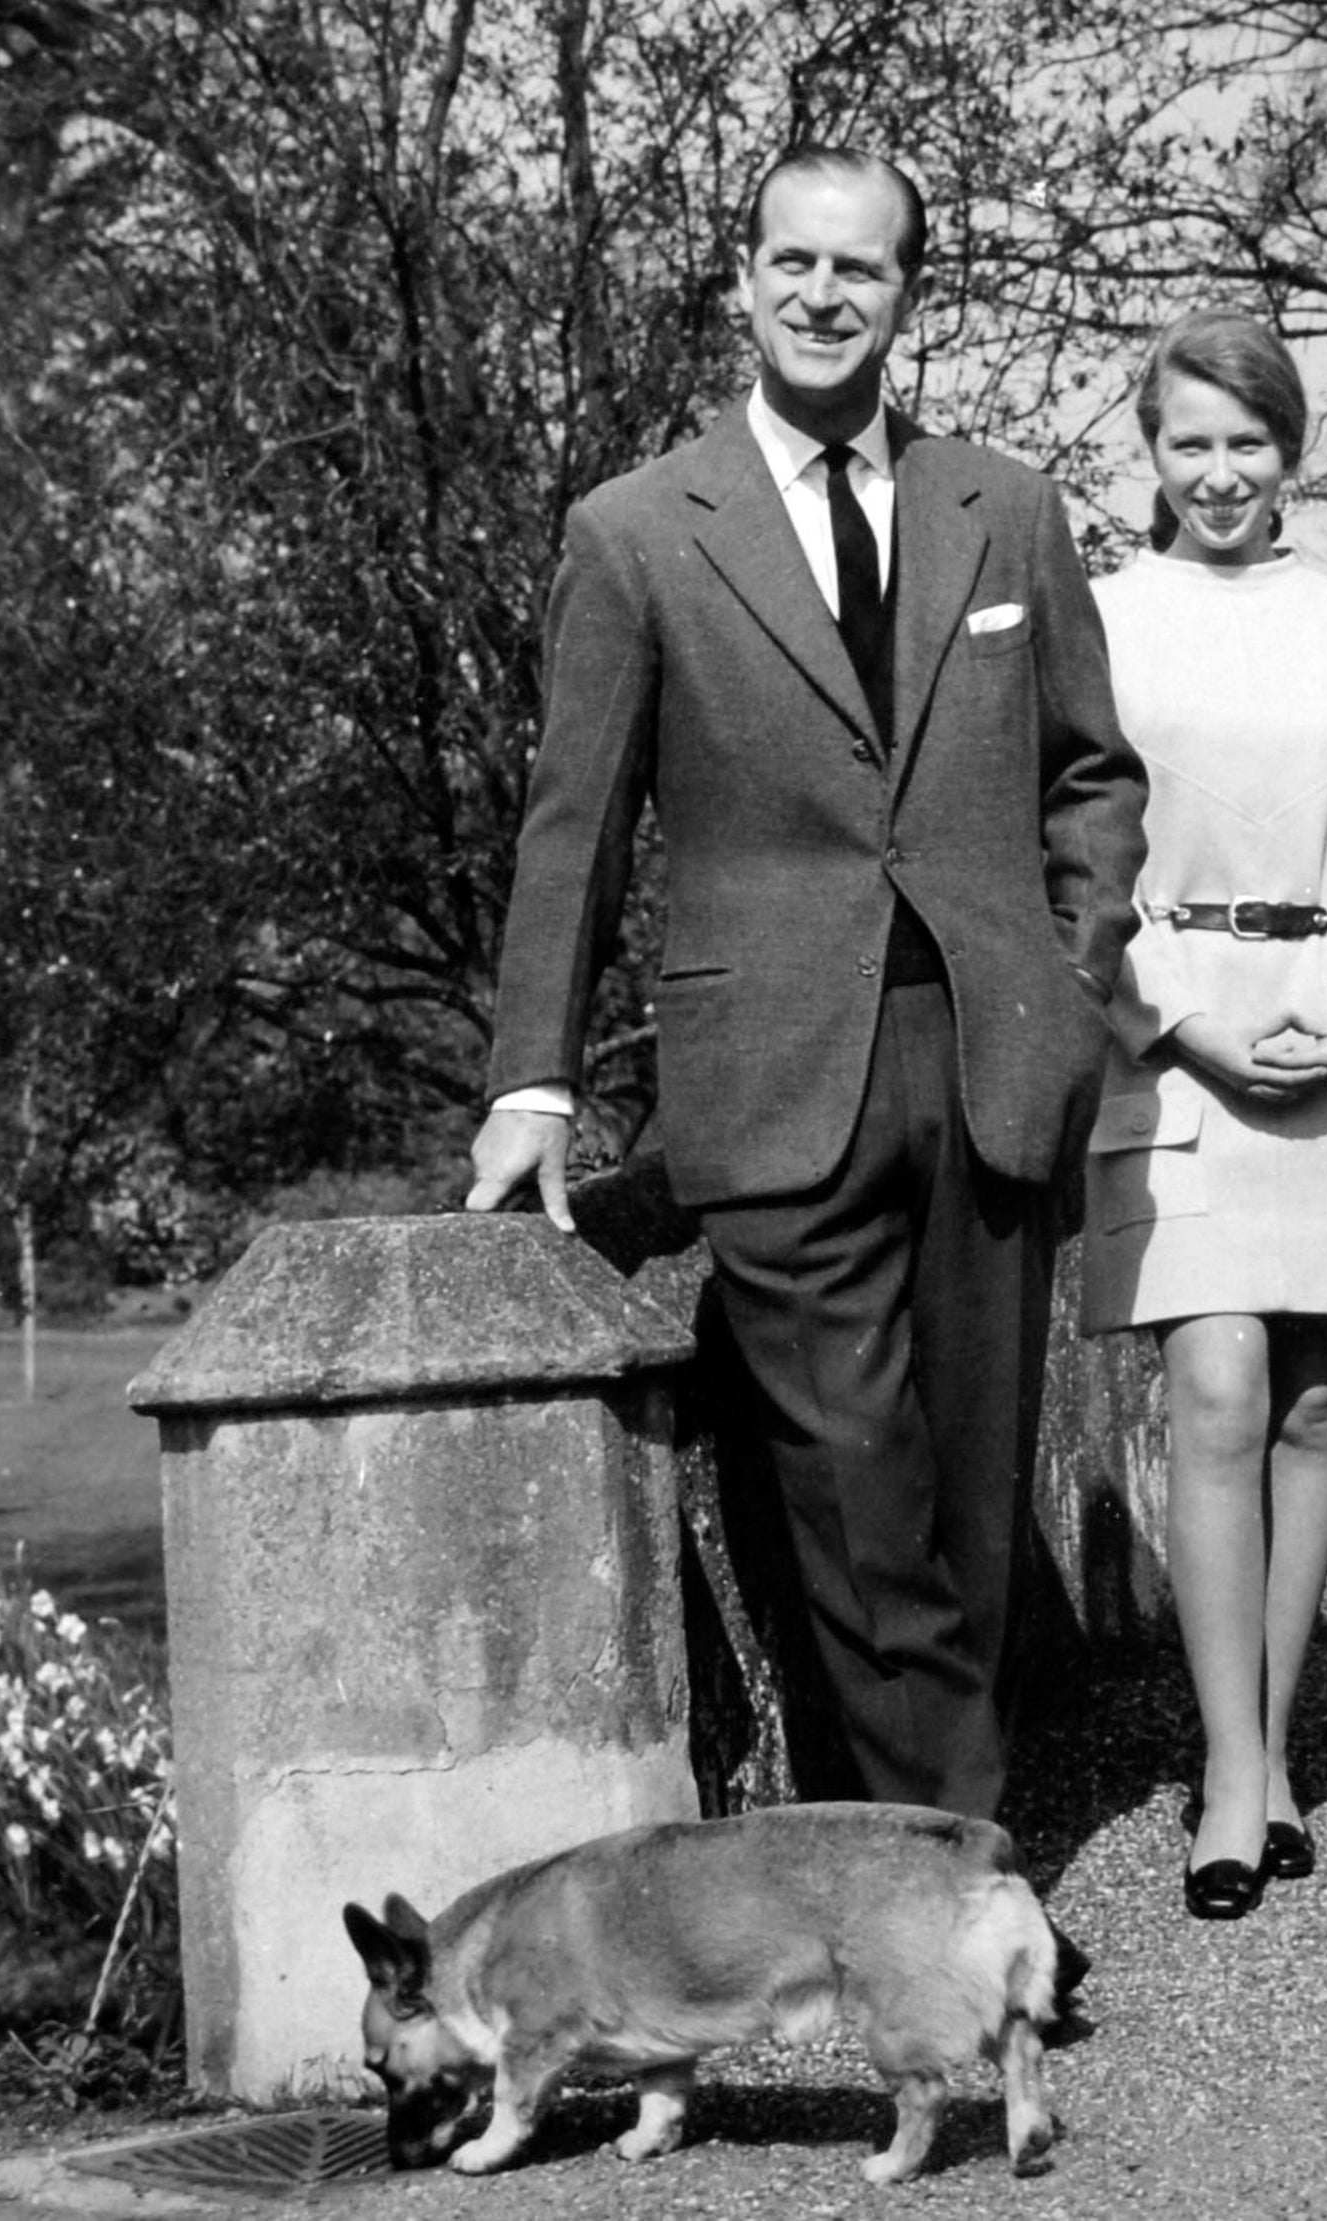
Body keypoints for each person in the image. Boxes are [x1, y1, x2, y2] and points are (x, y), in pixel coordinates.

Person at [465, 147, 1147, 1828]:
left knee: (977, 1500)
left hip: (987, 1063)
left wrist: (1070, 981)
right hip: (771, 1077)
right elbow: (576, 829)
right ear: (744, 280)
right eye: (796, 263)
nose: (826, 295)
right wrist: (532, 1082)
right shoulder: (635, 536)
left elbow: (1091, 776)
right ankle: (954, 1874)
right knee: (857, 1484)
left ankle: (904, 1845)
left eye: (864, 269)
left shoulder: (1009, 507)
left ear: (912, 294)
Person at [1080, 309, 1327, 1920]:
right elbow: (1079, 850)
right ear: (1148, 456)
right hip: (1176, 1041)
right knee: (1217, 1383)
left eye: (1249, 443)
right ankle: (1227, 1763)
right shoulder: (1098, 621)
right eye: (1189, 443)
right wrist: (1189, 1017)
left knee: (1316, 1403)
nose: (1221, 473)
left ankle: (1274, 1746)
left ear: (1292, 453)